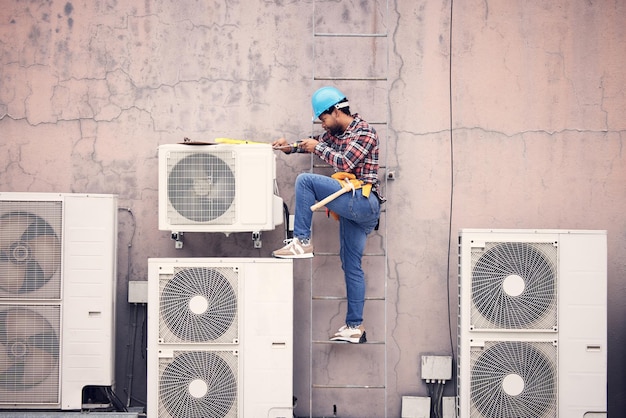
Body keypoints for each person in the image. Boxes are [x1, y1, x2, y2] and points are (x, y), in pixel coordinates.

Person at [271, 86, 383, 343]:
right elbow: (313, 144)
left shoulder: (365, 132)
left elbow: (345, 163)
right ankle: (355, 327)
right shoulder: (337, 133)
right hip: (353, 208)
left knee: (306, 181)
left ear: (335, 111)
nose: (322, 125)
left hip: (364, 202)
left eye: (323, 119)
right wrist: (289, 147)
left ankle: (301, 241)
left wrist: (316, 148)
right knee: (351, 265)